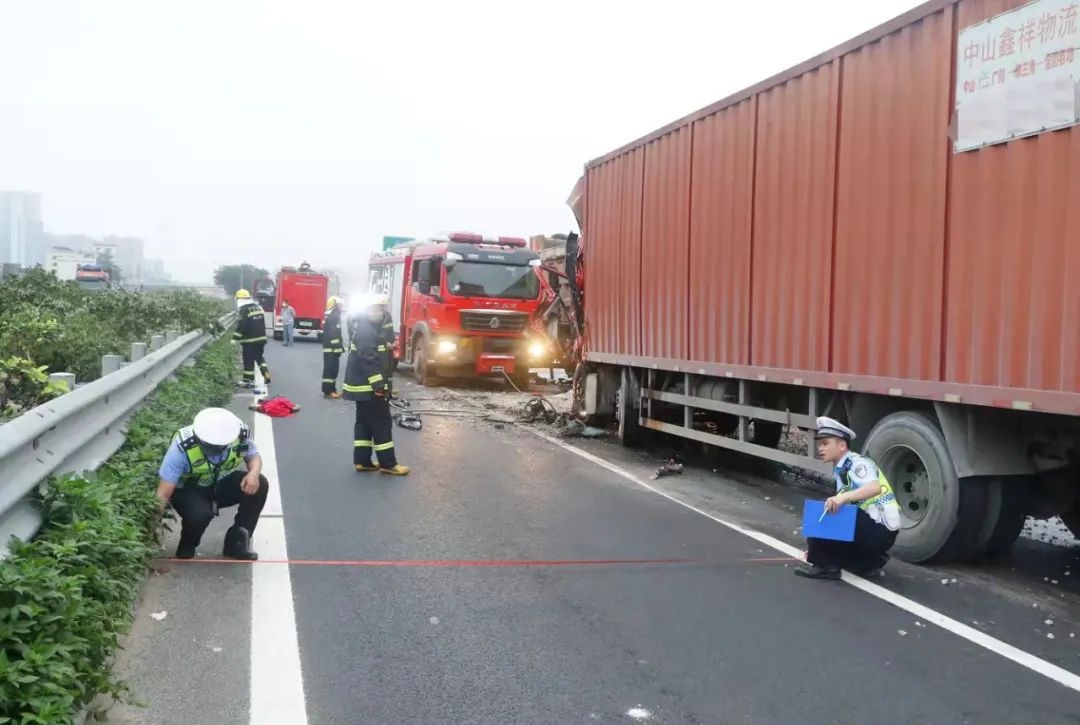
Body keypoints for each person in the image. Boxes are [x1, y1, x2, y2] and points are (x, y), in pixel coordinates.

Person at [155, 407, 268, 560]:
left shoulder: (238, 433)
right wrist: (152, 527)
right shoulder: (182, 447)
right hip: (190, 489)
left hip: (221, 481)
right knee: (200, 515)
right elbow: (163, 492)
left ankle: (237, 542)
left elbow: (253, 456)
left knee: (260, 483)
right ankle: (188, 543)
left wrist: (253, 473)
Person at [796, 417, 901, 580]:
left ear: (842, 445)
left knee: (827, 509)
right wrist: (818, 549)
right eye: (819, 444)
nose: (820, 449)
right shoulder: (842, 468)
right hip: (874, 530)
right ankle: (870, 561)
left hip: (880, 529)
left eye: (825, 443)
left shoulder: (857, 463)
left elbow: (875, 488)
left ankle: (826, 567)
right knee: (834, 509)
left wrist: (842, 498)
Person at [343, 294, 409, 475]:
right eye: (378, 309)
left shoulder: (368, 328)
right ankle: (388, 464)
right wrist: (379, 386)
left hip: (362, 388)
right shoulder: (367, 330)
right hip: (370, 388)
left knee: (364, 423)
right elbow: (368, 360)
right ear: (368, 310)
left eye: (382, 309)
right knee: (382, 423)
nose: (381, 313)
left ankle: (363, 461)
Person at [234, 289, 271, 386]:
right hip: (261, 339)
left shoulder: (243, 310)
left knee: (248, 360)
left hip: (249, 340)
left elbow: (242, 326)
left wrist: (235, 338)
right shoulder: (258, 307)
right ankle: (265, 372)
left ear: (239, 299)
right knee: (259, 357)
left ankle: (248, 381)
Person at [321, 296, 345, 398]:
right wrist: (338, 346)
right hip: (331, 349)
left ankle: (332, 389)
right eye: (340, 304)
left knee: (333, 370)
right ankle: (328, 391)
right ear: (335, 305)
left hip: (332, 348)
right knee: (330, 370)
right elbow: (333, 334)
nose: (342, 306)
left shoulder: (333, 315)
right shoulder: (333, 316)